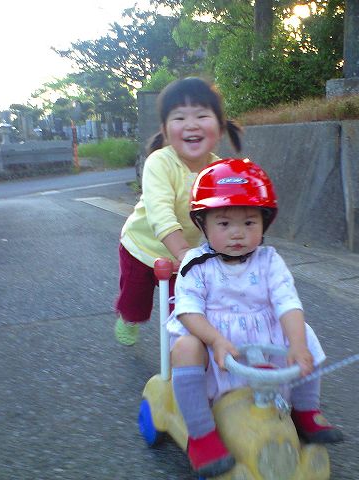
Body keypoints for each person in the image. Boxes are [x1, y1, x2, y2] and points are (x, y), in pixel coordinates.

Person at [167, 158, 343, 477]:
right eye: (224, 224)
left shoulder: (269, 260)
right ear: (202, 224)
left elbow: (287, 302)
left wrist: (297, 344)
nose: (237, 233)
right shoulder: (195, 263)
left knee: (304, 333)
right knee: (184, 348)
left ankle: (305, 409)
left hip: (263, 340)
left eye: (249, 223)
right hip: (214, 343)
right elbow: (188, 310)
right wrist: (215, 340)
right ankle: (201, 434)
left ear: (264, 222)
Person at [114, 77, 242, 346]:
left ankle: (183, 355)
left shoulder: (220, 171)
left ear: (220, 128)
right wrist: (183, 252)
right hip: (141, 248)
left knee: (185, 312)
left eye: (202, 115)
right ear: (165, 130)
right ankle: (128, 318)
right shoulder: (159, 163)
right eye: (180, 117)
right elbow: (160, 212)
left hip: (184, 257)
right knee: (135, 303)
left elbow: (227, 215)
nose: (191, 124)